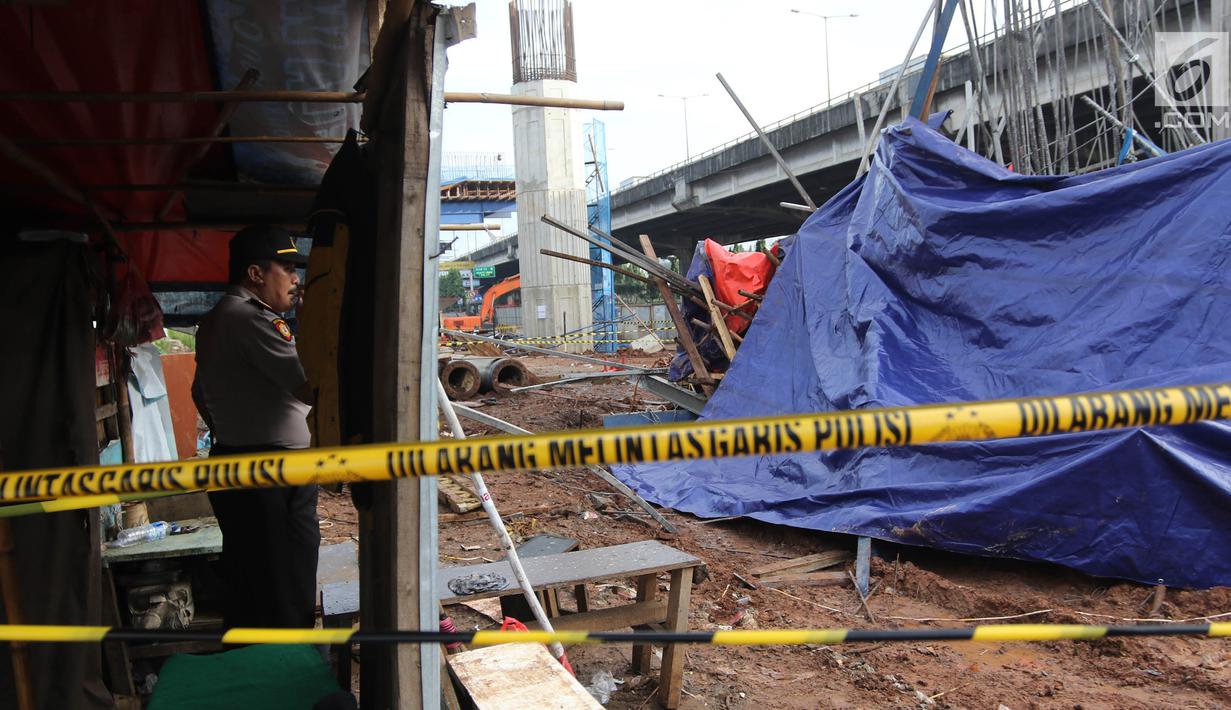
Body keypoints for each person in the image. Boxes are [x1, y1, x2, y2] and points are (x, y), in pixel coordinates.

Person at [191, 224, 317, 629]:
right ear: (255, 274)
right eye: (287, 268)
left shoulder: (217, 319)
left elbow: (199, 393)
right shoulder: (251, 320)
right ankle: (287, 669)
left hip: (243, 461)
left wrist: (235, 428)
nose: (296, 279)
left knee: (255, 579)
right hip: (272, 473)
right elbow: (310, 387)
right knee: (284, 580)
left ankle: (259, 661)